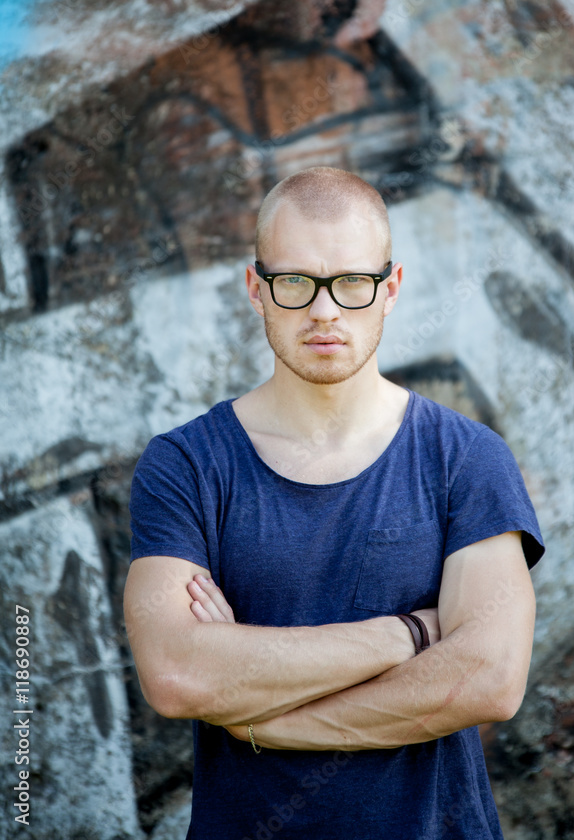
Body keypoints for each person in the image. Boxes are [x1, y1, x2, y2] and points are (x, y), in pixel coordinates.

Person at [124, 166, 545, 840]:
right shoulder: (186, 465)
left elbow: (488, 680)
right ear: (256, 288)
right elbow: (177, 674)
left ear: (390, 288)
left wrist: (265, 720)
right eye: (295, 282)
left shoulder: (465, 458)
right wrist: (409, 636)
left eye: (352, 282)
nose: (325, 311)